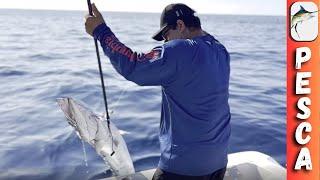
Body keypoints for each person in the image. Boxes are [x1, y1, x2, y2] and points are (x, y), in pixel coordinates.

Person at [85, 3, 231, 180]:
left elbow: (133, 65)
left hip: (182, 169)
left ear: (180, 25)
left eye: (166, 35)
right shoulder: (220, 50)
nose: (166, 42)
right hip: (218, 164)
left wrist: (100, 31)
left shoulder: (180, 50)